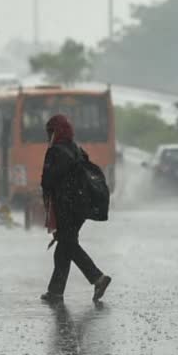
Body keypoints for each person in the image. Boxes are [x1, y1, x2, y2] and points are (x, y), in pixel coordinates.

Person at [40, 114, 112, 303]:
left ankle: (98, 277)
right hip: (81, 207)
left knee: (68, 245)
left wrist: (46, 199)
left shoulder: (55, 152)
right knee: (64, 246)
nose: (48, 136)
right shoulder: (76, 149)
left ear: (55, 132)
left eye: (50, 132)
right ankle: (55, 292)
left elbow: (47, 180)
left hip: (65, 206)